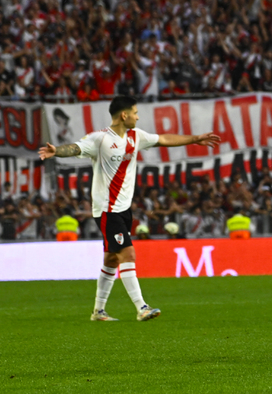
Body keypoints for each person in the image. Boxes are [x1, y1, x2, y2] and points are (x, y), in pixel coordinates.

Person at [39, 95, 221, 322]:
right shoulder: (100, 138)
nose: (137, 116)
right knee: (128, 254)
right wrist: (57, 151)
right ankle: (142, 307)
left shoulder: (137, 136)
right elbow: (76, 148)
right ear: (124, 115)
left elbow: (164, 139)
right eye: (135, 112)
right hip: (107, 210)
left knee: (111, 260)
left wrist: (194, 139)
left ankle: (98, 312)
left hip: (124, 209)